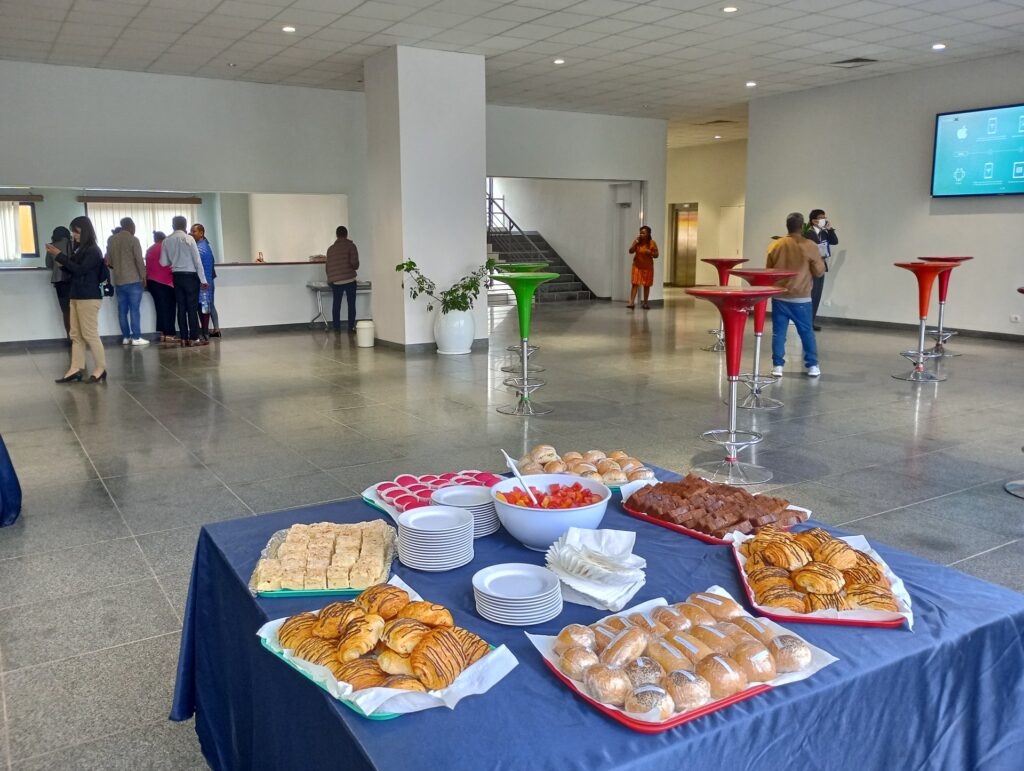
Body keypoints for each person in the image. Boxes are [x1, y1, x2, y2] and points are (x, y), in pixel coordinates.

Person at [766, 212, 826, 378]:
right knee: (806, 332)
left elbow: (768, 271)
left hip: (779, 296)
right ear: (802, 226)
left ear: (787, 226)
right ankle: (812, 365)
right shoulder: (809, 245)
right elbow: (819, 271)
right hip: (801, 297)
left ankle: (777, 366)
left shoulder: (775, 245)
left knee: (779, 333)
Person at [49, 215, 108, 383]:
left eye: (76, 231)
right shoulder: (79, 250)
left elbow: (81, 270)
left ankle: (100, 368)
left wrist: (60, 256)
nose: (74, 235)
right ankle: (75, 368)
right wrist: (63, 263)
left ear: (85, 231)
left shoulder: (93, 250)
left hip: (88, 297)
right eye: (73, 232)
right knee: (75, 334)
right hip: (75, 295)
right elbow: (73, 269)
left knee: (90, 334)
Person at [160, 215, 208, 347]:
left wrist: (175, 260)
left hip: (177, 276)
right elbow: (197, 261)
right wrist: (203, 280)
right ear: (185, 226)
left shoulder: (166, 241)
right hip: (191, 277)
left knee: (181, 307)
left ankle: (183, 338)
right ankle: (194, 338)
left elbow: (163, 262)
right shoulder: (189, 239)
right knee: (192, 308)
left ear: (172, 225)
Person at [107, 217, 148, 345]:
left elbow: (110, 261)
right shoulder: (133, 240)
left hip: (119, 281)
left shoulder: (112, 240)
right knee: (134, 309)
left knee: (122, 310)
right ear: (131, 226)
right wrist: (143, 277)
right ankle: (136, 337)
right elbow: (139, 260)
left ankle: (126, 337)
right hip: (134, 280)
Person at [803, 208, 838, 331]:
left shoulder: (824, 232)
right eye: (821, 217)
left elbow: (835, 241)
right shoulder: (806, 233)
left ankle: (811, 322)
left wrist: (830, 229)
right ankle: (805, 322)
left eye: (825, 217)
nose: (824, 219)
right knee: (809, 295)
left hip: (821, 266)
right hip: (809, 268)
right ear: (814, 220)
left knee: (817, 295)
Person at [325, 225, 360, 333]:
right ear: (346, 234)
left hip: (336, 281)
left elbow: (327, 267)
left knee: (336, 304)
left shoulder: (330, 249)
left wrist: (331, 279)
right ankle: (351, 327)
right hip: (349, 279)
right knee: (351, 304)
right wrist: (355, 266)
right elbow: (354, 263)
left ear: (336, 235)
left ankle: (336, 327)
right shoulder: (351, 246)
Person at [190, 223, 221, 339]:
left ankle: (205, 333)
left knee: (204, 307)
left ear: (201, 233)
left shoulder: (200, 248)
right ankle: (211, 331)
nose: (192, 234)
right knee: (208, 306)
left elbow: (200, 266)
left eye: (194, 231)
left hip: (204, 283)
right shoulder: (205, 245)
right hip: (207, 282)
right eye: (191, 231)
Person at [145, 231, 177, 342]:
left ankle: (163, 333)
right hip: (165, 283)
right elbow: (170, 265)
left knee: (160, 309)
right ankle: (170, 334)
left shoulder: (149, 250)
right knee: (169, 308)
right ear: (164, 239)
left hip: (152, 283)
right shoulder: (165, 248)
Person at [44, 225, 73, 338]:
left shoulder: (51, 246)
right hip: (73, 280)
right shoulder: (72, 244)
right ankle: (79, 336)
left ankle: (69, 336)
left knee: (66, 311)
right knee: (76, 309)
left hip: (60, 282)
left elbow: (48, 264)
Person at [627, 226, 658, 310]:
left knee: (646, 285)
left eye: (643, 233)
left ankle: (645, 303)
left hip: (647, 267)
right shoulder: (637, 242)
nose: (641, 234)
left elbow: (656, 255)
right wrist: (634, 243)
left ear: (648, 234)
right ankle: (631, 302)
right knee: (634, 284)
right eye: (640, 232)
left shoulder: (652, 243)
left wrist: (650, 252)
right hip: (637, 266)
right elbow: (630, 251)